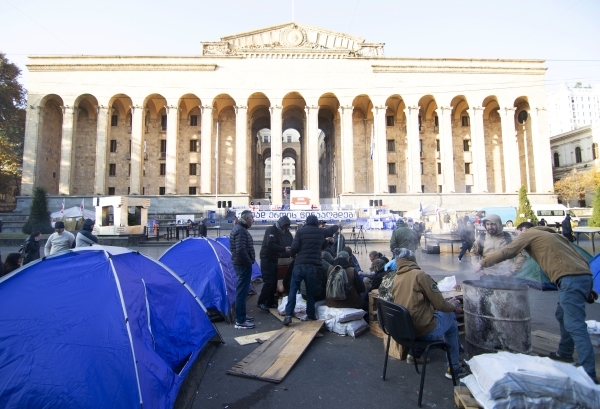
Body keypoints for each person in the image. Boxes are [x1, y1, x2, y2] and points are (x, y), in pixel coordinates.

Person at [473, 222, 598, 383]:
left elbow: (508, 251)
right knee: (562, 314)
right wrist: (587, 288)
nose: (518, 237)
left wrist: (482, 263)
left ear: (524, 229)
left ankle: (589, 374)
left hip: (569, 279)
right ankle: (565, 353)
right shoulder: (556, 236)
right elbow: (581, 259)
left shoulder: (529, 234)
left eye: (518, 233)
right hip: (582, 276)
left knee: (575, 324)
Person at [380, 248, 466, 379]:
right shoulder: (420, 275)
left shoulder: (397, 278)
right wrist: (453, 305)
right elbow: (440, 305)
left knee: (431, 315)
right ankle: (453, 367)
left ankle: (415, 354)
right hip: (422, 332)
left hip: (402, 333)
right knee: (450, 318)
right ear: (412, 260)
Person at [283, 214, 339, 326]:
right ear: (316, 222)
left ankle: (288, 315)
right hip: (312, 266)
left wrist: (293, 256)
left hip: (299, 265)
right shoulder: (320, 232)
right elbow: (326, 238)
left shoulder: (300, 231)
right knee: (310, 292)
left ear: (307, 222)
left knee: (293, 290)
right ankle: (310, 315)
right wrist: (337, 225)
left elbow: (294, 247)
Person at [257, 216, 292, 312]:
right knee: (269, 281)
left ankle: (270, 300)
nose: (286, 229)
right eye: (285, 227)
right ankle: (261, 302)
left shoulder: (280, 232)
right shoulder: (271, 230)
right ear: (282, 225)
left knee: (274, 281)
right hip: (267, 258)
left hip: (273, 258)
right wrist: (284, 249)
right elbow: (270, 244)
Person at [230, 210, 256, 329]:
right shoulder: (240, 230)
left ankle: (242, 315)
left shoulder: (240, 228)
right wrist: (248, 262)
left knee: (243, 292)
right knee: (241, 292)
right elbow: (240, 250)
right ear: (246, 218)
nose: (253, 220)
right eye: (252, 217)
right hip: (242, 265)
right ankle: (240, 321)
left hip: (241, 264)